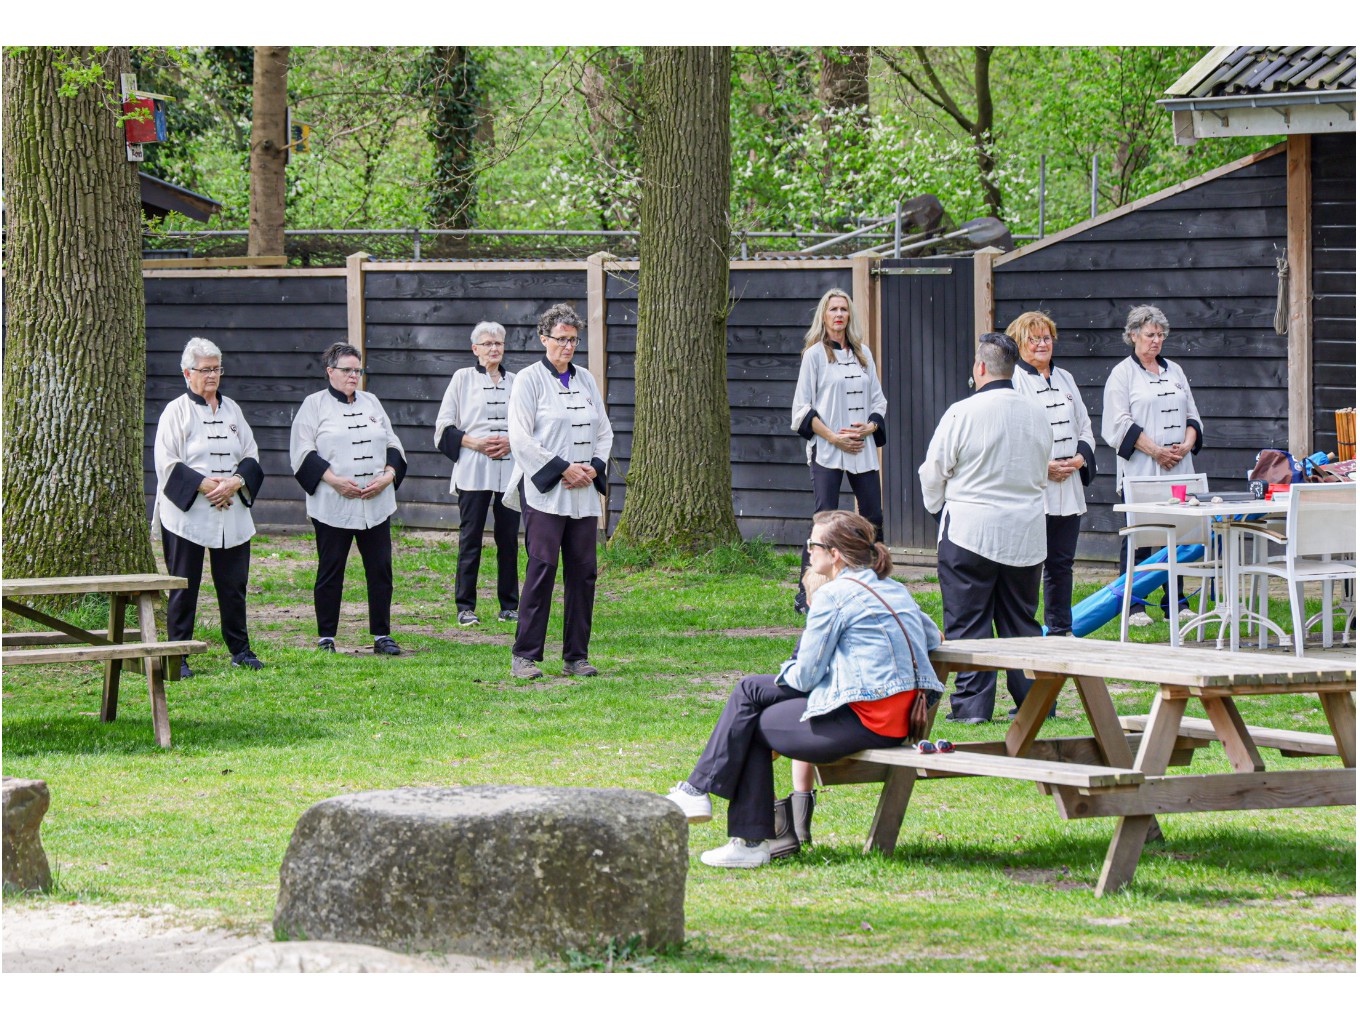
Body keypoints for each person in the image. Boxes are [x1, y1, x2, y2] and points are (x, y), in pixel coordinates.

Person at [665, 510, 943, 869]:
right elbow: (934, 636)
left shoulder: (835, 595)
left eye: (813, 544)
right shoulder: (894, 588)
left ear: (835, 554)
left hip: (864, 720)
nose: (808, 551)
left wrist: (790, 673)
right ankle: (706, 802)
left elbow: (805, 677)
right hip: (901, 721)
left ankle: (732, 827)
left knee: (750, 708)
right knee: (750, 696)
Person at [918, 333, 1051, 724]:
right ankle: (1034, 703)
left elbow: (933, 471)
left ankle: (973, 707)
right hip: (1025, 532)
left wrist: (936, 509)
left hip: (970, 531)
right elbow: (1042, 467)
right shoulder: (1036, 413)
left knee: (968, 622)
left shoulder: (962, 412)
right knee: (1021, 622)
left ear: (980, 368)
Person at [504, 303, 613, 680]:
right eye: (561, 340)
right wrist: (563, 468)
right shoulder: (529, 380)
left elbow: (604, 431)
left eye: (573, 340)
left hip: (583, 493)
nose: (567, 347)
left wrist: (593, 469)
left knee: (584, 573)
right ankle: (526, 656)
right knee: (542, 568)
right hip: (547, 492)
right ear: (544, 338)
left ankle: (576, 656)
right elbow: (520, 436)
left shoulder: (585, 379)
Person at [153, 337, 265, 678]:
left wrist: (233, 483)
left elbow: (251, 455)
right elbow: (166, 463)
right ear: (188, 373)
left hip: (231, 508)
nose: (213, 375)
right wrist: (206, 485)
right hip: (187, 513)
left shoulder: (233, 409)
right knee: (184, 586)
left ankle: (240, 650)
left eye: (217, 368)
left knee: (233, 585)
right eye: (206, 369)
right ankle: (179, 654)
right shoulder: (176, 411)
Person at [289, 342, 407, 655]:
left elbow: (393, 444)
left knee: (380, 569)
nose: (353, 375)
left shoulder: (372, 402)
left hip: (376, 503)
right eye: (347, 370)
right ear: (330, 372)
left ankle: (382, 634)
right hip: (333, 504)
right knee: (331, 570)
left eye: (358, 370)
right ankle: (326, 636)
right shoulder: (313, 406)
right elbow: (301, 452)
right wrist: (334, 481)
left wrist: (388, 476)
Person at [1100, 305, 1204, 620]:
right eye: (1149, 335)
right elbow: (1117, 424)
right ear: (1133, 336)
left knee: (1177, 533)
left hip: (1179, 468)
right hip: (1142, 469)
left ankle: (1176, 601)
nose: (1156, 341)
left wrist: (1185, 446)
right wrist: (1157, 451)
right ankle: (1133, 604)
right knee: (1140, 537)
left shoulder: (1175, 370)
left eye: (1160, 335)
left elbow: (1192, 415)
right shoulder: (1122, 374)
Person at [791, 289, 887, 612]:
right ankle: (808, 593)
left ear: (850, 315)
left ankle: (876, 584)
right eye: (833, 309)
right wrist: (833, 437)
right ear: (824, 315)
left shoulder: (864, 355)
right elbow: (802, 409)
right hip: (828, 448)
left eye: (843, 309)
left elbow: (879, 402)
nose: (839, 315)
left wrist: (869, 427)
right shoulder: (814, 356)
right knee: (824, 518)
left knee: (873, 516)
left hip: (862, 447)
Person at [1007, 311, 1096, 637]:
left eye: (1046, 338)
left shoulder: (1066, 378)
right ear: (1020, 343)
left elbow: (1085, 427)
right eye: (1034, 338)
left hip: (1068, 484)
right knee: (1029, 564)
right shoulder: (1015, 381)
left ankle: (1061, 629)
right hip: (1035, 486)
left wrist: (1077, 461)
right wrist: (1042, 466)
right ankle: (1025, 631)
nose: (1042, 344)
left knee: (1062, 563)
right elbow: (1011, 434)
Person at [435, 321, 520, 628]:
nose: (494, 348)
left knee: (508, 539)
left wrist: (510, 441)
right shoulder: (462, 379)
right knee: (470, 538)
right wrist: (476, 443)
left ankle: (509, 605)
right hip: (473, 469)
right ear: (475, 349)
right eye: (487, 344)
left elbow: (529, 424)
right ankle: (465, 606)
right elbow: (444, 426)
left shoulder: (517, 381)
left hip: (509, 469)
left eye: (498, 343)